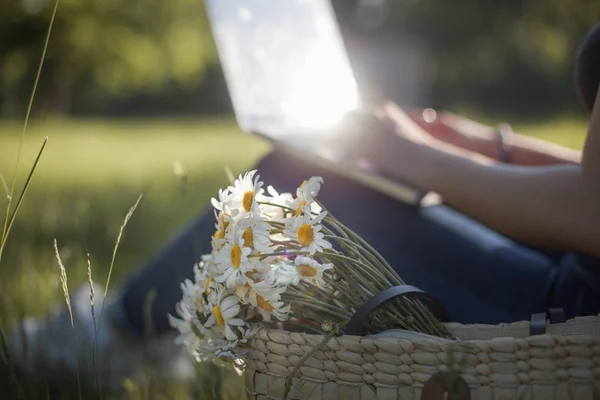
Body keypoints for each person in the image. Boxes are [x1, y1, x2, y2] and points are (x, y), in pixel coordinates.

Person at [10, 30, 600, 396]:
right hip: (577, 264)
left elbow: (591, 209)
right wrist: (478, 146)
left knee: (299, 184)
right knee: (339, 169)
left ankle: (113, 338)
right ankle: (145, 334)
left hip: (578, 305)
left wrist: (410, 155)